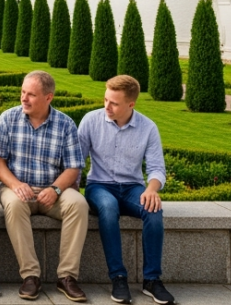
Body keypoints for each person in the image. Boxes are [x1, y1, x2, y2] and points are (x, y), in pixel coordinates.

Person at [79, 75, 175, 305]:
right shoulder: (91, 121)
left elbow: (157, 168)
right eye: (105, 100)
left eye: (114, 103)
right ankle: (118, 278)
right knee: (108, 207)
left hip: (133, 187)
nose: (107, 106)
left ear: (131, 104)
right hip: (99, 186)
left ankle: (152, 280)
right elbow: (76, 162)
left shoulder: (148, 128)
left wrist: (151, 189)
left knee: (153, 210)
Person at [0, 71, 88, 302]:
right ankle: (30, 276)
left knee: (79, 204)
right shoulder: (8, 119)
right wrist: (16, 185)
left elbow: (73, 168)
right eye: (23, 92)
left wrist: (55, 189)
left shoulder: (65, 124)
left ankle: (67, 277)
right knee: (14, 205)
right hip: (15, 188)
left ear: (48, 97)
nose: (24, 98)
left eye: (31, 94)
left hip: (53, 191)